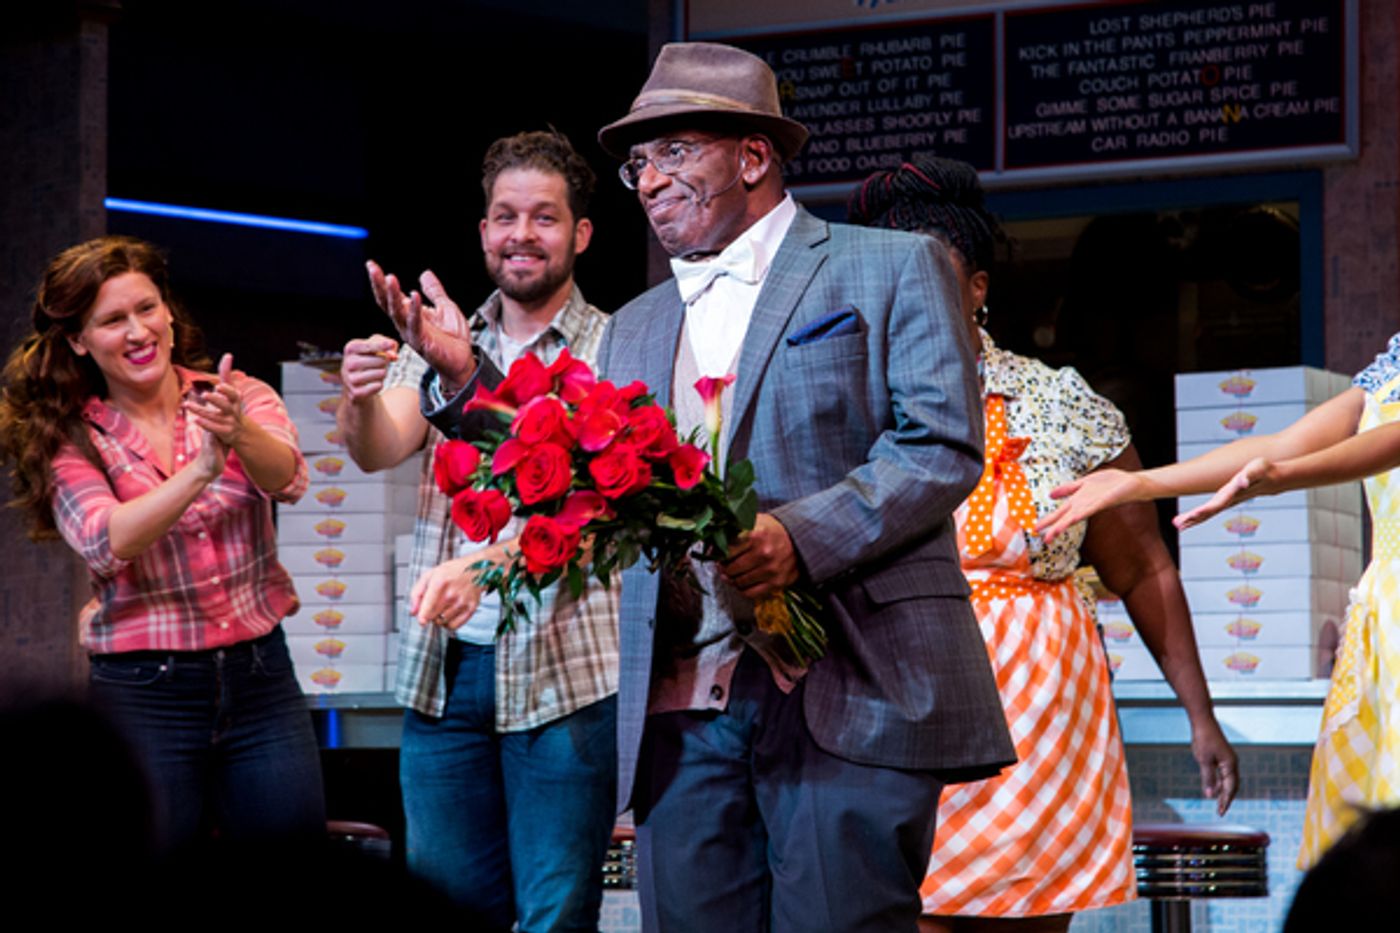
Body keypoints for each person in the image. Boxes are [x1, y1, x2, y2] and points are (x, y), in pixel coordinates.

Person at [381, 43, 1016, 932]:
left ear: (754, 156)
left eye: (675, 152)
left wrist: (798, 537)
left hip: (848, 677)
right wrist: (464, 382)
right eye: (640, 162)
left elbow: (942, 444)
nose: (648, 179)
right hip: (683, 705)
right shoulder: (640, 322)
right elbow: (569, 468)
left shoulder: (889, 265)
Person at [848, 158, 1238, 931]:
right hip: (910, 701)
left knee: (1032, 918)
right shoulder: (851, 403)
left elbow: (1145, 567)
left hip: (1045, 723)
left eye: (935, 276)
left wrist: (1201, 715)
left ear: (979, 288)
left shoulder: (1061, 402)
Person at [337, 130, 617, 931]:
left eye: (543, 217)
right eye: (504, 216)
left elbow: (600, 508)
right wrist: (358, 393)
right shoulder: (441, 335)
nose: (521, 234)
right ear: (483, 231)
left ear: (581, 234)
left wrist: (490, 567)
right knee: (450, 908)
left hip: (566, 668)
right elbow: (378, 448)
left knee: (554, 913)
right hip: (444, 669)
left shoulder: (618, 344)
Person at [0, 236, 325, 850]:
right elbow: (104, 539)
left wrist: (237, 433)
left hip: (260, 679)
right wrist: (201, 468)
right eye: (112, 320)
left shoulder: (235, 395)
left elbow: (288, 477)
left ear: (168, 313)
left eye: (147, 308)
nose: (137, 331)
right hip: (146, 693)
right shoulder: (70, 436)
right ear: (79, 340)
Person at [1040, 333, 1400, 869]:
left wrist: (1280, 479)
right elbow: (1280, 445)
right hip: (1385, 622)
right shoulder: (1394, 361)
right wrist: (1140, 485)